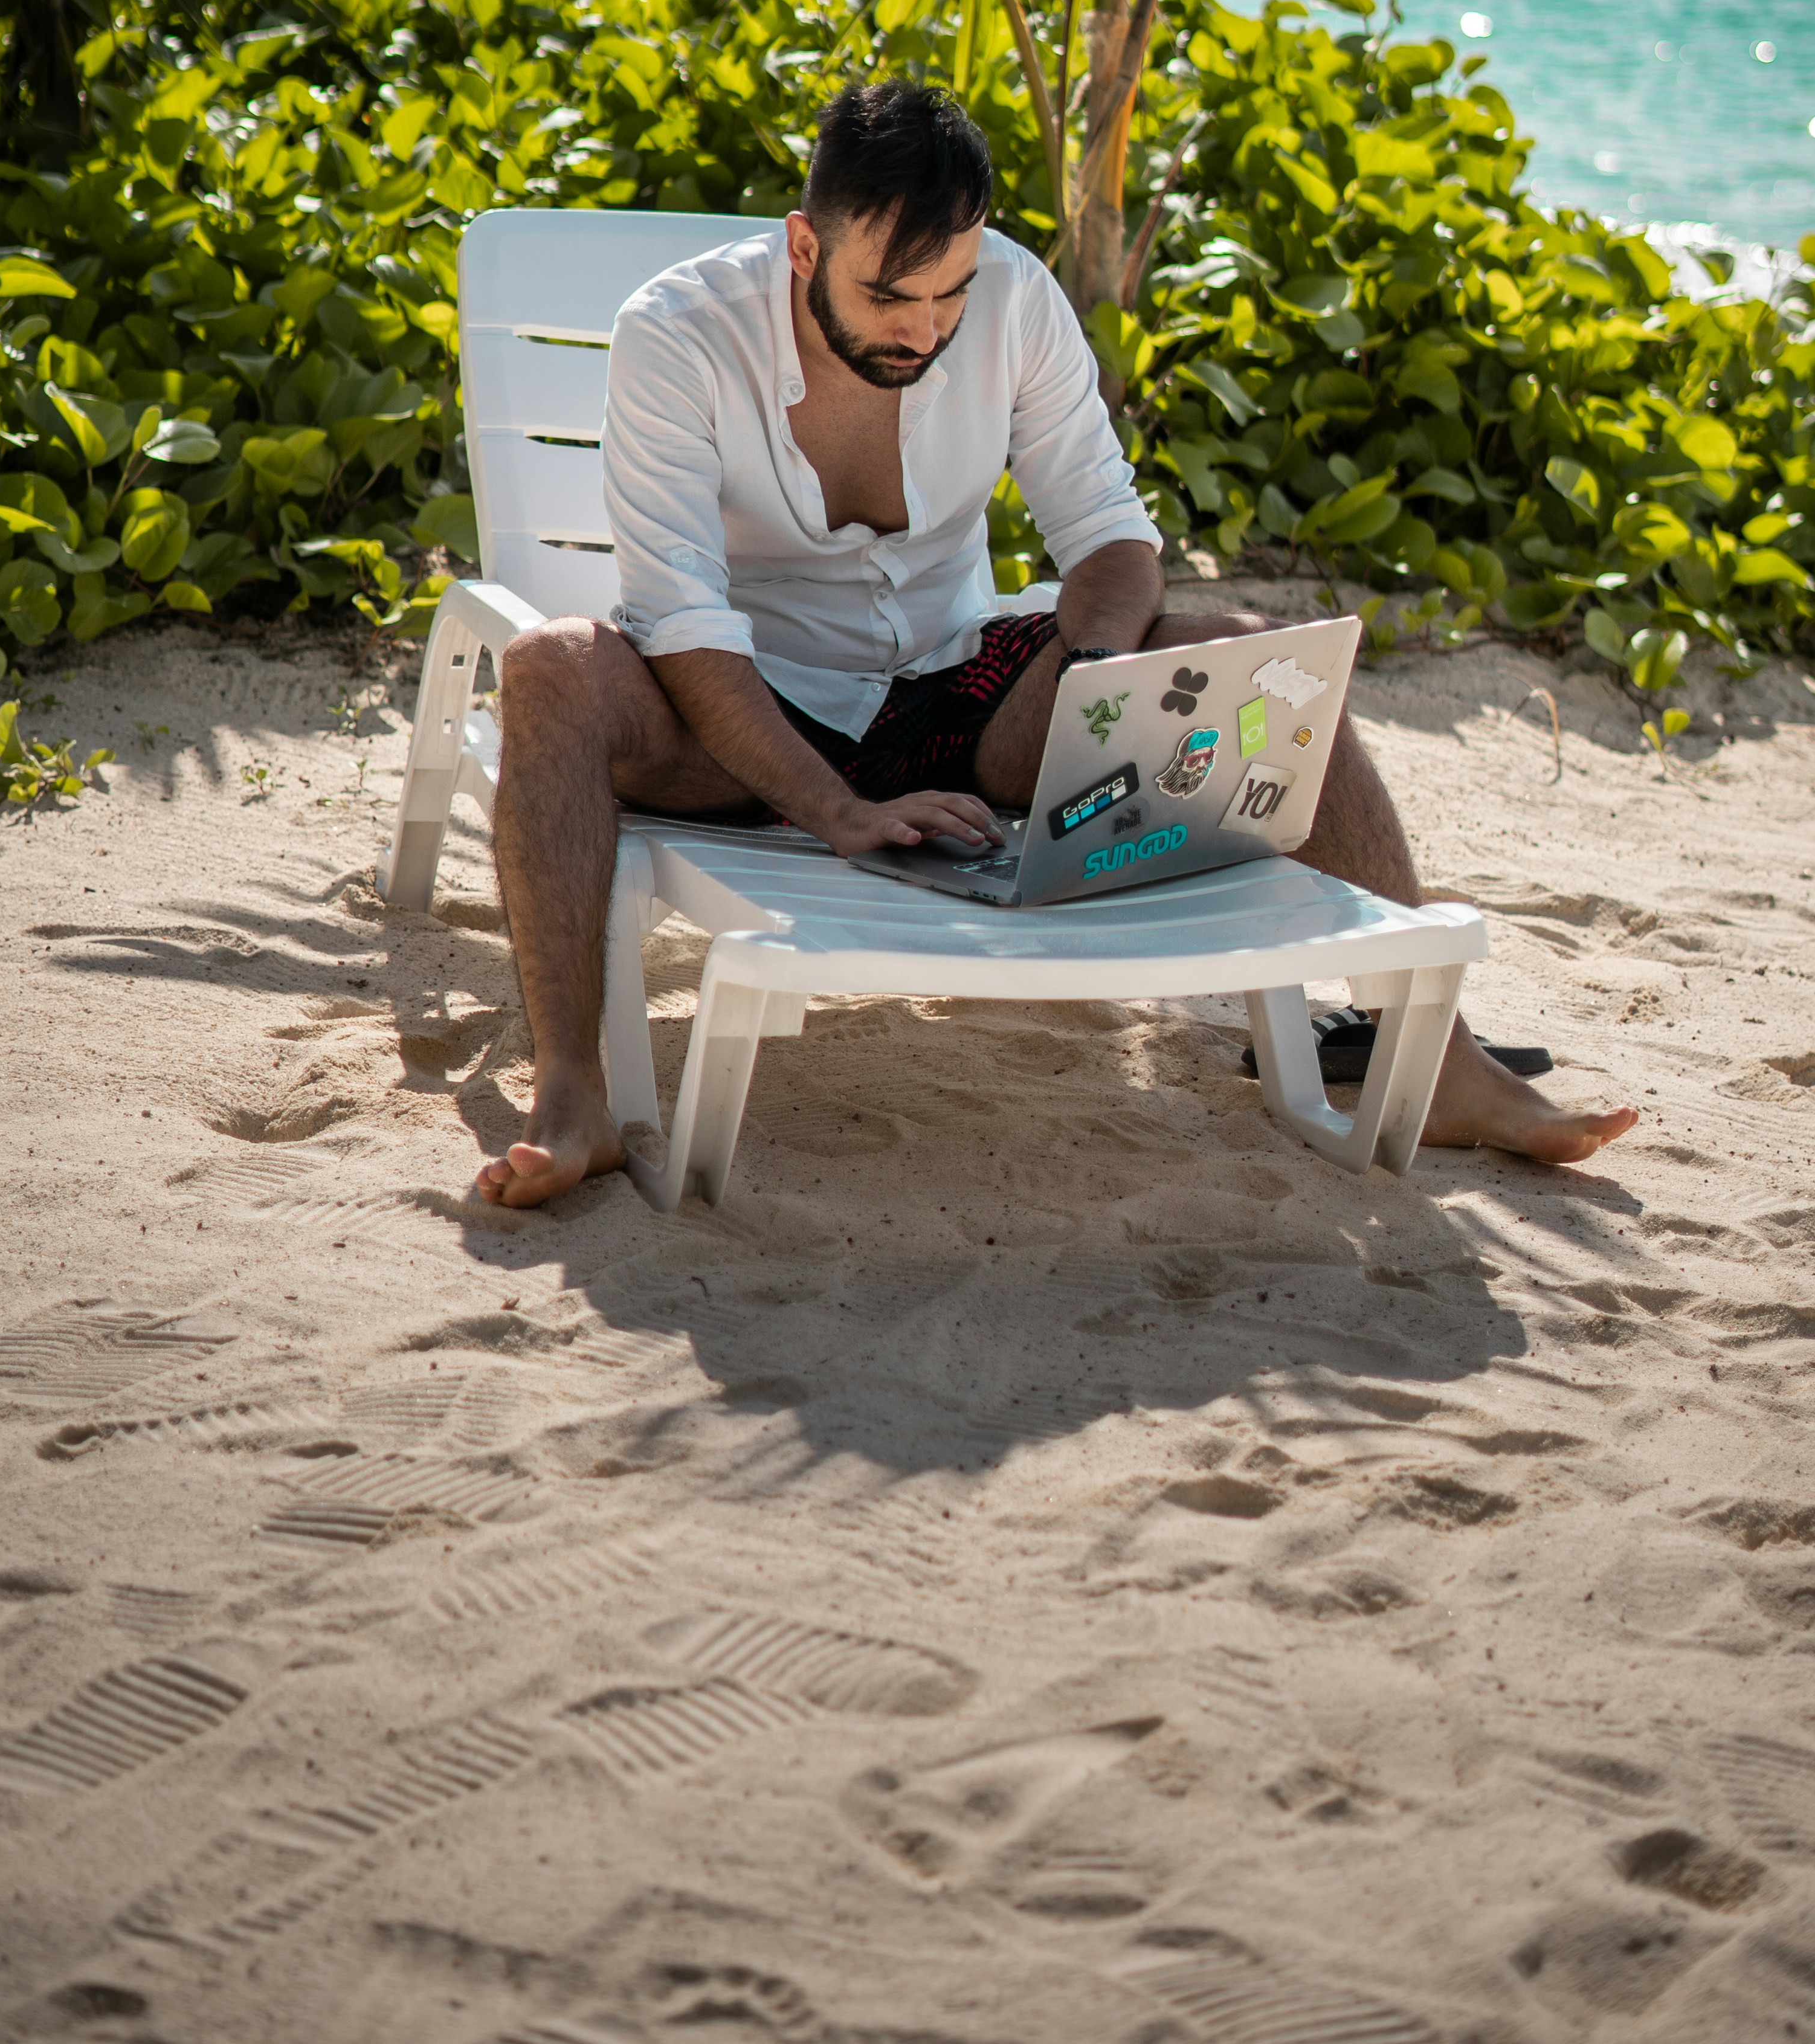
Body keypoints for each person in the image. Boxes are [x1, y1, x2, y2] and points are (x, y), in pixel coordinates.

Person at [476, 80, 1636, 1207]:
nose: (924, 330)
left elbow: (1111, 539)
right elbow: (682, 626)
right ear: (803, 246)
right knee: (551, 671)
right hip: (748, 714)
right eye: (890, 297)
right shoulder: (678, 334)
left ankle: (1440, 1061)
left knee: (1266, 664)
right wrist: (837, 810)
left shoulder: (1015, 299)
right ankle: (572, 1094)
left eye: (949, 295)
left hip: (956, 681)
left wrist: (1092, 685)